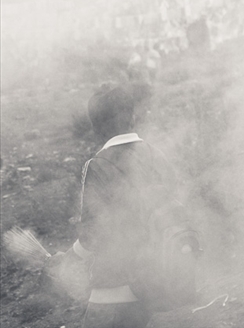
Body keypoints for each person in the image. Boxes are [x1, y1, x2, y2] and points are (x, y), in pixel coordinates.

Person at [47, 82, 176, 328]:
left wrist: (69, 257)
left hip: (113, 287)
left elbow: (92, 233)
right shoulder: (156, 154)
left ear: (95, 127)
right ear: (134, 116)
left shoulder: (96, 166)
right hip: (151, 282)